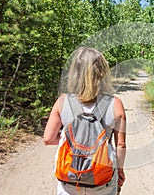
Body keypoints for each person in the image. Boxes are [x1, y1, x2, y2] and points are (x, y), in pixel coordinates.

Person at [43, 47, 126, 195]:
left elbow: (48, 139)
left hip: (69, 180)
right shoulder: (115, 104)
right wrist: (120, 171)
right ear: (103, 73)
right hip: (102, 181)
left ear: (75, 73)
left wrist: (71, 140)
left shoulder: (63, 102)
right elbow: (121, 144)